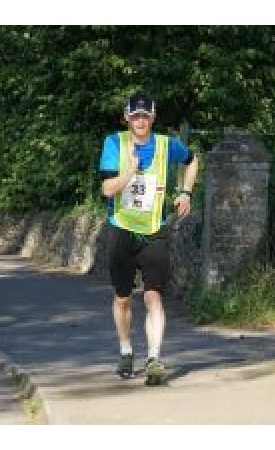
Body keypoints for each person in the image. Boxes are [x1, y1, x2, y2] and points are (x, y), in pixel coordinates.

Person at [99, 92, 199, 385]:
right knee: (123, 299)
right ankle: (126, 351)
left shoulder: (168, 145)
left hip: (155, 231)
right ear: (126, 118)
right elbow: (107, 189)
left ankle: (154, 359)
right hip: (121, 230)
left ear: (153, 118)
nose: (140, 120)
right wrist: (129, 170)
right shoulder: (115, 143)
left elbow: (192, 160)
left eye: (145, 116)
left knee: (153, 296)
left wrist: (185, 192)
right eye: (135, 116)